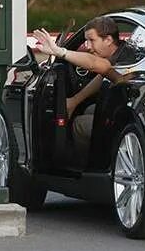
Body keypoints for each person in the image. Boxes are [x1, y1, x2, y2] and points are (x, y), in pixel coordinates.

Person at [32, 16, 134, 157]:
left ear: (108, 40)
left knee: (80, 124)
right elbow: (103, 75)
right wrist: (75, 100)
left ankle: (87, 166)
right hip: (128, 110)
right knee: (90, 109)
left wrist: (61, 52)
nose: (87, 46)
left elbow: (95, 64)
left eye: (92, 40)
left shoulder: (122, 60)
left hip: (130, 118)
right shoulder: (123, 51)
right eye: (86, 40)